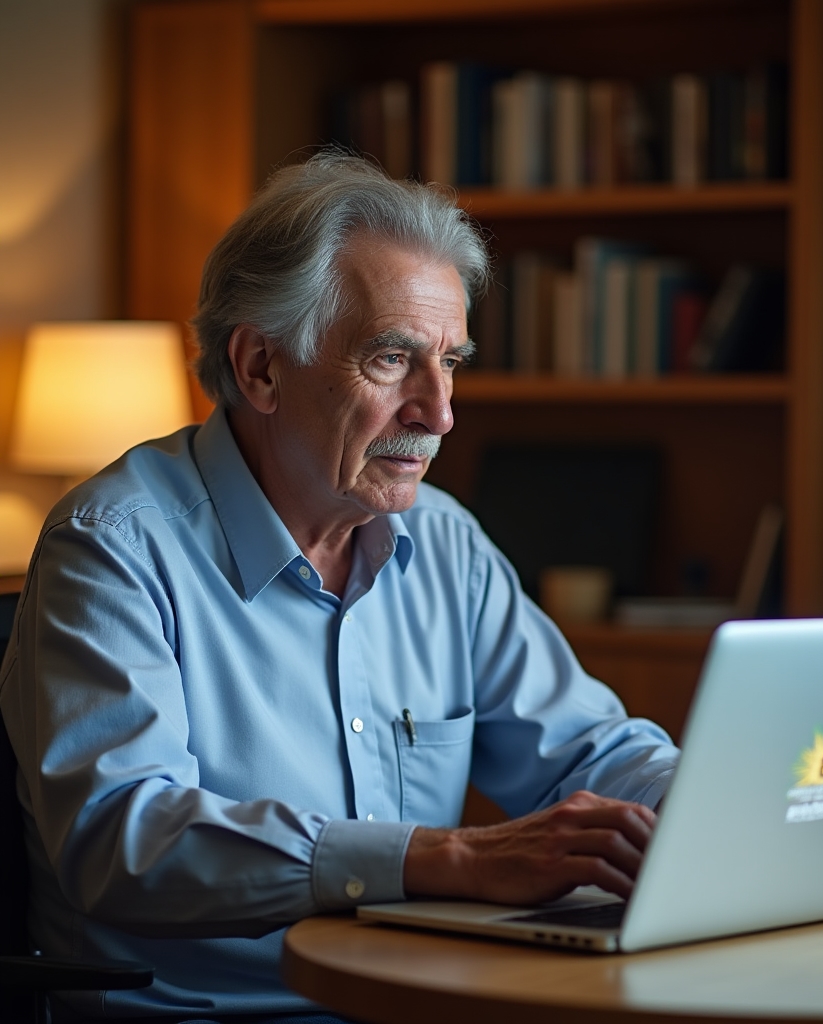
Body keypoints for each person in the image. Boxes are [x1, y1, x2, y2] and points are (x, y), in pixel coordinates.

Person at [0, 153, 678, 1022]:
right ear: (260, 369)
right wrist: (448, 859)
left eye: (452, 363)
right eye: (394, 359)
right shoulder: (113, 550)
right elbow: (126, 842)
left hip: (420, 1000)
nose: (440, 413)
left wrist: (710, 807)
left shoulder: (444, 541)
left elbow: (591, 752)